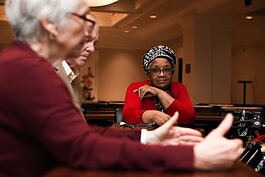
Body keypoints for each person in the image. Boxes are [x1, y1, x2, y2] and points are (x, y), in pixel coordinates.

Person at [0, 1, 242, 177]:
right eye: (82, 17)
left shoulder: (29, 67)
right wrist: (193, 157)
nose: (88, 30)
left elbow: (78, 135)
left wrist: (147, 137)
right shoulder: (26, 72)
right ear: (50, 25)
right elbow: (82, 148)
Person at [123, 45, 196, 125]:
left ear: (172, 72)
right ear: (149, 73)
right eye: (156, 70)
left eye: (166, 69)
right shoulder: (136, 87)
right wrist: (153, 115)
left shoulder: (179, 88)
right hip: (145, 135)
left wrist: (159, 93)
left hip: (173, 135)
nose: (162, 74)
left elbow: (189, 117)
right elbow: (128, 115)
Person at [54, 13, 99, 116]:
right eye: (86, 40)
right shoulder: (45, 72)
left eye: (94, 43)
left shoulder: (73, 77)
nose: (92, 49)